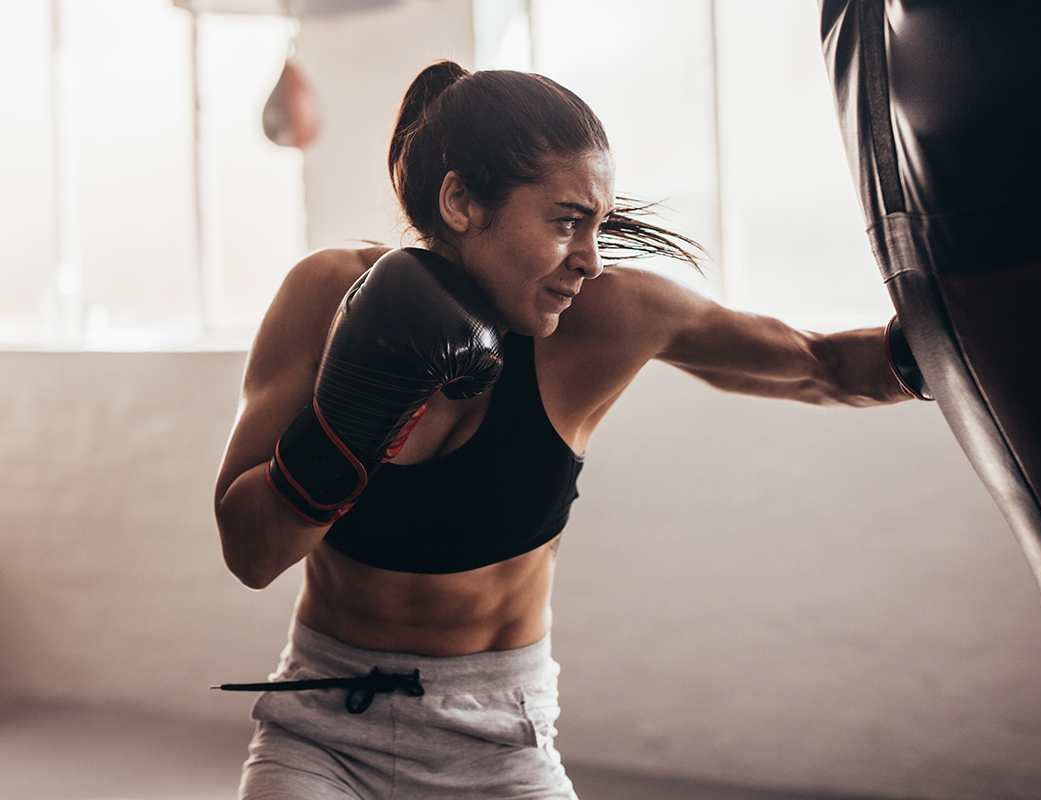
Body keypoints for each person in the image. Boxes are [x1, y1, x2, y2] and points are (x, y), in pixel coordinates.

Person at [214, 59, 928, 800]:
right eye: (567, 221)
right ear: (460, 200)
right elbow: (251, 553)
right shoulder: (325, 296)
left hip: (498, 742)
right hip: (322, 730)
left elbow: (822, 366)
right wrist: (354, 417)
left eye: (600, 226)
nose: (589, 260)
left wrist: (973, 332)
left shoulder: (610, 319)